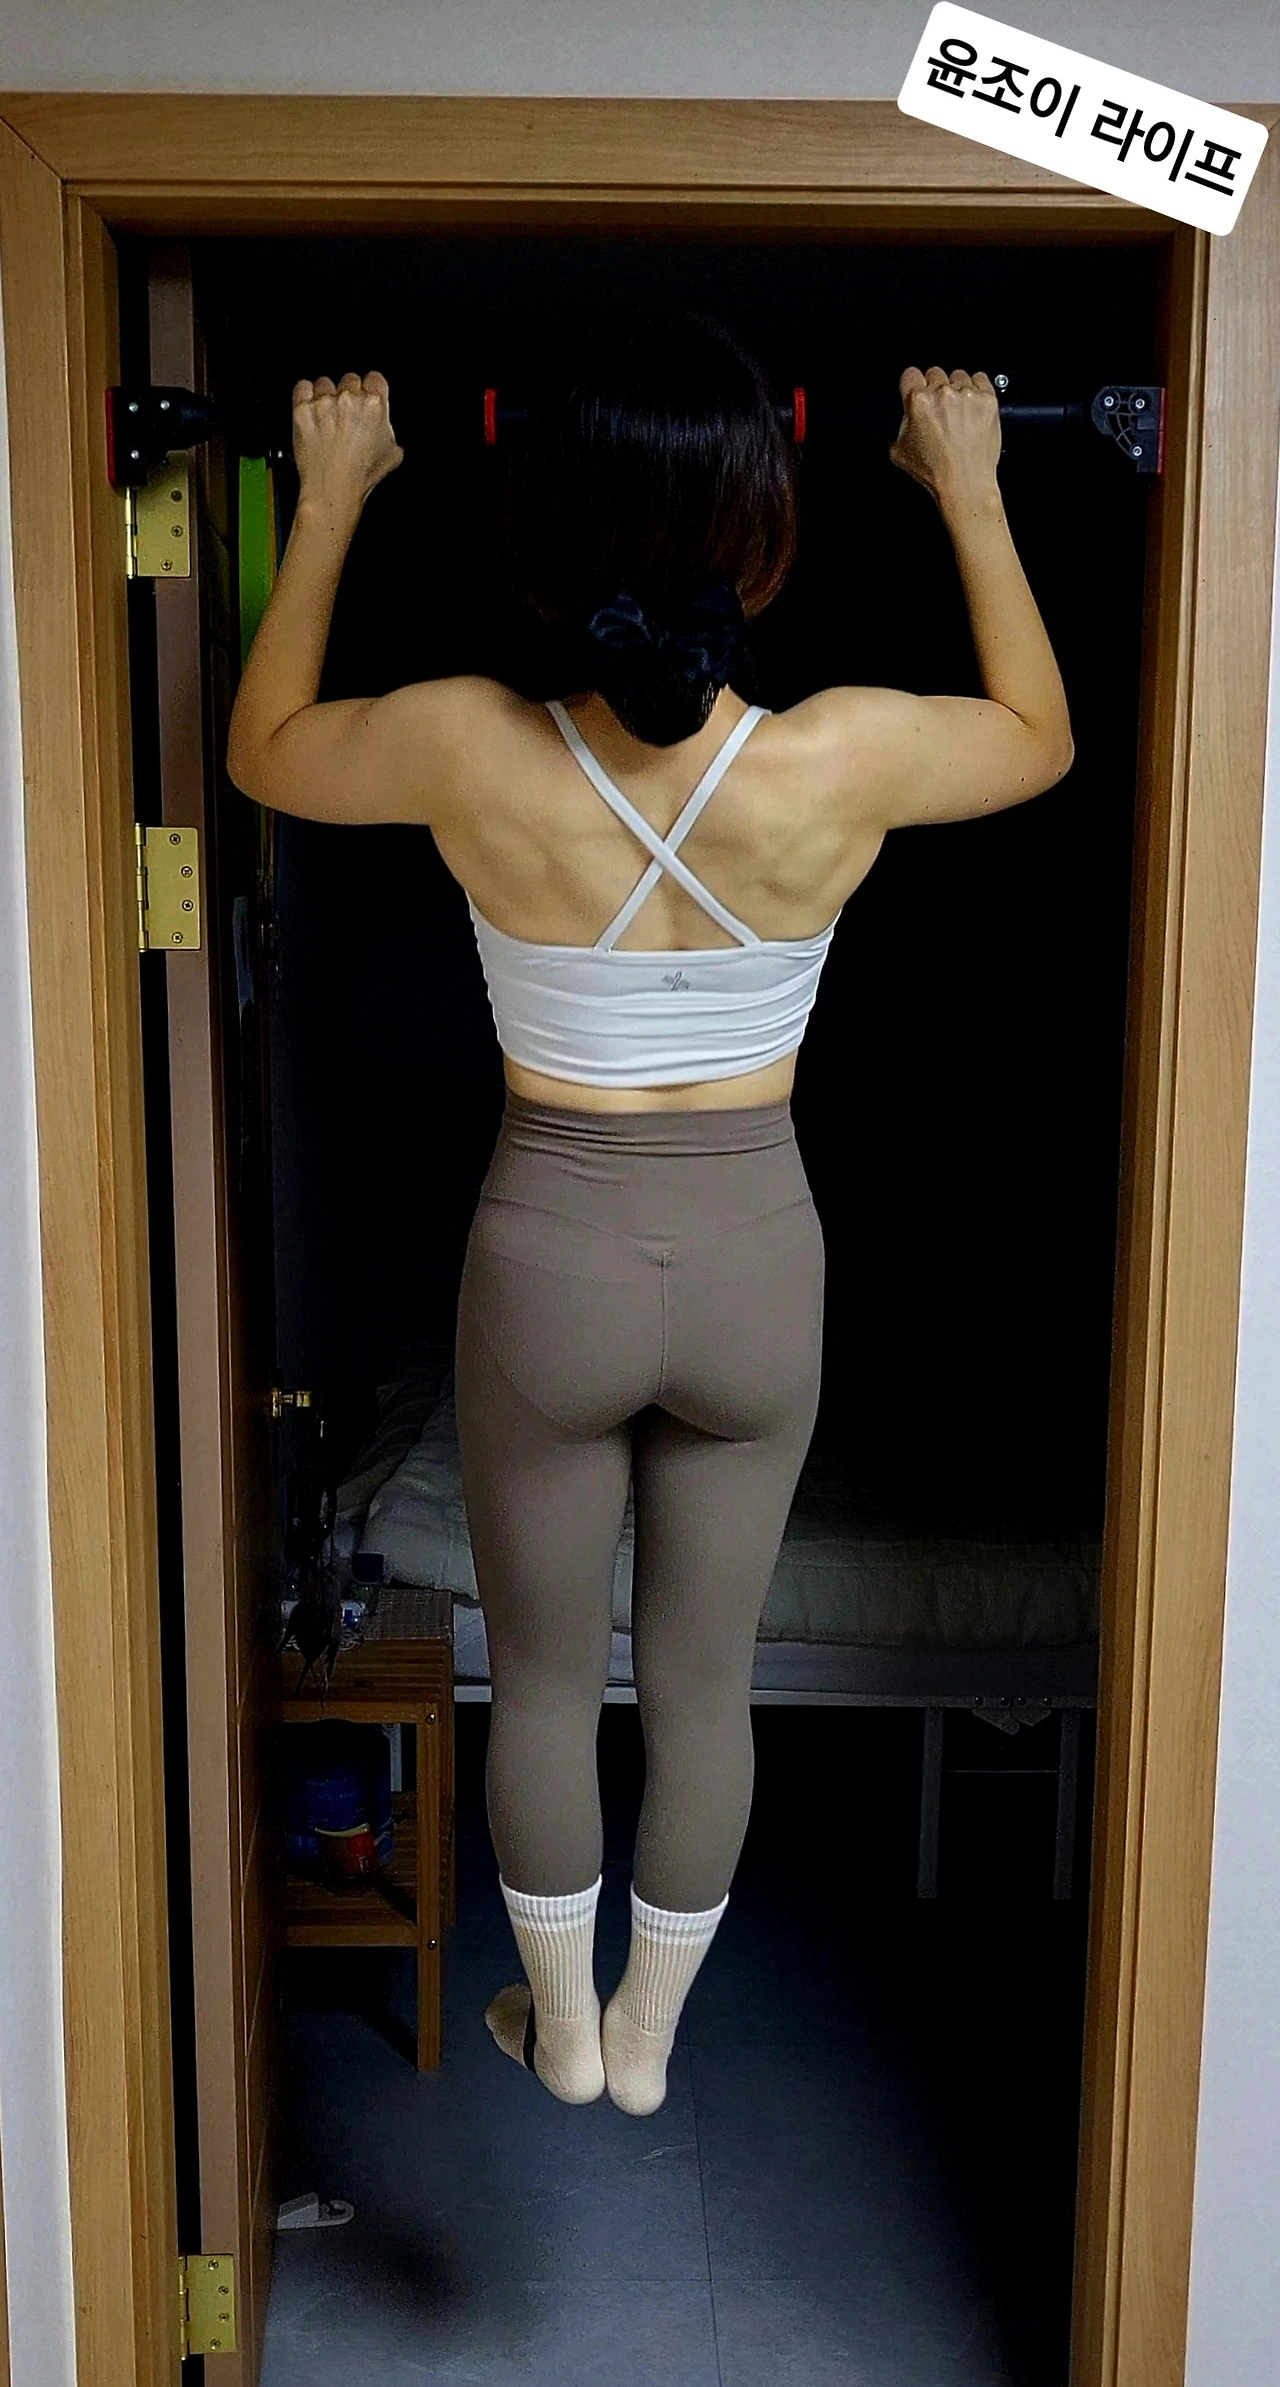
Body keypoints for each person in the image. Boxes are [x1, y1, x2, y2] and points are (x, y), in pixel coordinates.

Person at [227, 317, 1073, 2115]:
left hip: (553, 1256)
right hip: (759, 1259)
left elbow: (263, 746)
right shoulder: (840, 756)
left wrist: (332, 494)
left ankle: (555, 2021)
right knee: (704, 1685)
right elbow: (1037, 735)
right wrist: (970, 488)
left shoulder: (468, 743)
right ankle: (650, 2039)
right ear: (761, 543)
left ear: (540, 542)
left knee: (545, 1682)